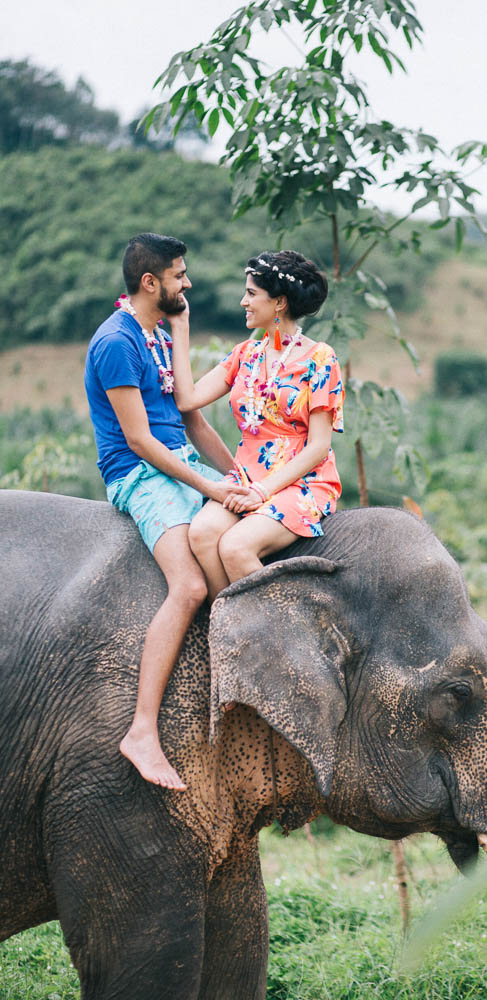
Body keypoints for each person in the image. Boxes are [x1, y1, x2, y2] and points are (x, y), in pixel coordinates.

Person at [84, 233, 250, 791]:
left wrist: (240, 480)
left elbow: (190, 419)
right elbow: (139, 441)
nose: (189, 283)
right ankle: (142, 729)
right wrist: (210, 485)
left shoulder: (157, 333)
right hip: (139, 475)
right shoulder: (116, 343)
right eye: (180, 275)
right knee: (189, 588)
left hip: (177, 460)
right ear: (150, 283)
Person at [169, 250, 344, 602]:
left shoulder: (320, 358)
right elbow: (186, 399)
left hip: (300, 481)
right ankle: (232, 630)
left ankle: (284, 638)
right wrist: (180, 326)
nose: (243, 301)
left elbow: (319, 446)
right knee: (202, 534)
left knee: (235, 547)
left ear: (279, 303)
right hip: (246, 476)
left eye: (251, 294)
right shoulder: (245, 354)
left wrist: (263, 492)